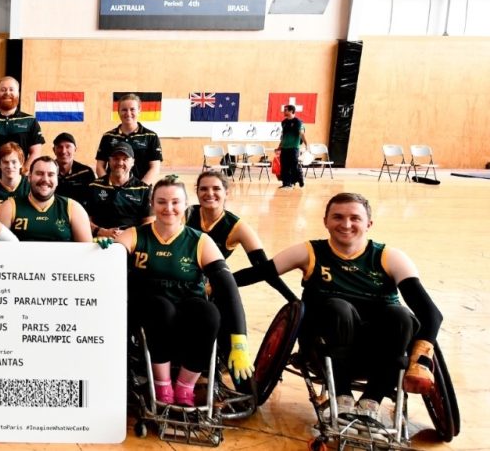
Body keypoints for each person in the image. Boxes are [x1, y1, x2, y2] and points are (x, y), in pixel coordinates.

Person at [232, 192, 443, 421]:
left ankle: (372, 400)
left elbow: (430, 314)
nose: (346, 224)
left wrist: (422, 361)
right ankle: (341, 395)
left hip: (377, 352)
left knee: (401, 315)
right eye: (338, 217)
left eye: (355, 218)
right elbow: (260, 272)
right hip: (322, 348)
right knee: (338, 308)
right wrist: (214, 283)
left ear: (369, 223)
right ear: (326, 221)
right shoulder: (310, 252)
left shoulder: (389, 258)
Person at [114, 176, 253, 406]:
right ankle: (162, 383)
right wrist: (106, 249)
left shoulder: (200, 241)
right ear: (152, 203)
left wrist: (239, 339)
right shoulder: (136, 235)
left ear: (186, 204)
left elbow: (227, 288)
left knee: (209, 312)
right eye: (161, 202)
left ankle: (186, 386)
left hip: (187, 307)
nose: (169, 208)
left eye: (175, 202)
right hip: (151, 309)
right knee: (161, 308)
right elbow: (111, 258)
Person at [185, 171, 291, 295]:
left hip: (207, 285)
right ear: (197, 192)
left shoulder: (238, 227)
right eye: (203, 189)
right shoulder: (185, 215)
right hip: (177, 277)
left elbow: (264, 269)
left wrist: (292, 299)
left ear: (227, 193)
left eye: (216, 188)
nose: (209, 193)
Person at [0, 156, 91, 242]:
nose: (45, 179)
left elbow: (86, 254)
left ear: (57, 180)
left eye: (51, 174)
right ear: (29, 177)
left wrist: (98, 247)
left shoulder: (74, 209)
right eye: (39, 173)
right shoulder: (8, 208)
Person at [0, 76, 45, 180]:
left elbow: (36, 152)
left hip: (21, 182)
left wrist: (21, 175)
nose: (7, 93)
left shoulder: (30, 120)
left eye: (11, 89)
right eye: (3, 89)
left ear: (18, 94)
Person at [86, 142, 154, 239]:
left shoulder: (144, 190)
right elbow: (84, 220)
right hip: (100, 242)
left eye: (125, 159)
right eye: (116, 158)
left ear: (132, 162)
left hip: (132, 243)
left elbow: (149, 222)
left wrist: (129, 235)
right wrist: (102, 232)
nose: (120, 163)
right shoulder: (94, 186)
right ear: (109, 161)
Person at [95, 93, 163, 184]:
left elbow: (154, 167)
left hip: (141, 192)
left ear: (139, 110)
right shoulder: (108, 137)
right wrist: (108, 186)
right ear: (118, 111)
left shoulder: (151, 136)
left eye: (132, 109)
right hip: (113, 192)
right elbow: (100, 166)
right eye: (124, 110)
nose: (128, 113)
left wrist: (139, 189)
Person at [52, 132, 95, 209]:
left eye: (68, 146)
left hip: (80, 216)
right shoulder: (47, 172)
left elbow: (94, 200)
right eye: (59, 147)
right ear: (54, 150)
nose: (63, 151)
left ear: (75, 149)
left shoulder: (86, 172)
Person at [278, 104, 307, 189]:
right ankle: (286, 183)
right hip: (285, 148)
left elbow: (301, 134)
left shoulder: (298, 122)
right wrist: (279, 146)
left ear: (291, 111)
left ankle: (300, 178)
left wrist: (306, 144)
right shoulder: (283, 122)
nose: (284, 111)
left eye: (286, 110)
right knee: (284, 166)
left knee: (294, 166)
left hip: (294, 148)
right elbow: (283, 136)